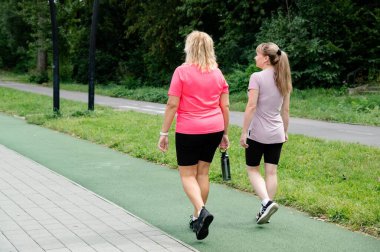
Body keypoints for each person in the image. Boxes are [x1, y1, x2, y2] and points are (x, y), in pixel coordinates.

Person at [157, 31, 230, 240]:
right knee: (203, 173)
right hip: (214, 128)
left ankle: (201, 211)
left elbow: (172, 104)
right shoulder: (218, 73)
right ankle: (198, 217)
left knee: (187, 175)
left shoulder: (181, 72)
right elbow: (224, 106)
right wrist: (225, 132)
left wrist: (164, 133)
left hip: (189, 129)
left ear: (189, 48)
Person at [240, 42, 292, 225]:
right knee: (271, 172)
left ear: (265, 58)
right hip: (277, 132)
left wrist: (244, 131)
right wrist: (284, 132)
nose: (255, 58)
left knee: (252, 169)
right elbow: (285, 111)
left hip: (258, 133)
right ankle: (266, 208)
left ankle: (266, 203)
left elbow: (252, 106)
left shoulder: (257, 77)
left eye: (257, 55)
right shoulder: (284, 79)